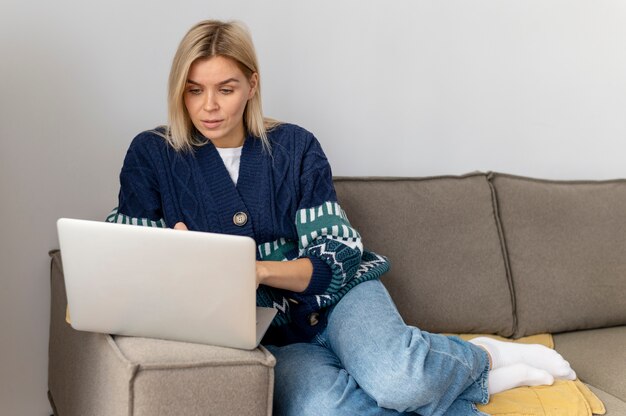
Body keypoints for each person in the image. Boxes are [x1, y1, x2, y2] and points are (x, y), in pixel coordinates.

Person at [107, 19, 577, 416]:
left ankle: (478, 357)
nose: (209, 106)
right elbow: (133, 252)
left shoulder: (294, 147)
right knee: (329, 410)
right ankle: (468, 390)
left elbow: (334, 254)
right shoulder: (152, 155)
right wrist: (176, 253)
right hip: (267, 337)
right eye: (194, 91)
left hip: (341, 298)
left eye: (225, 89)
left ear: (252, 86)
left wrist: (259, 271)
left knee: (398, 379)